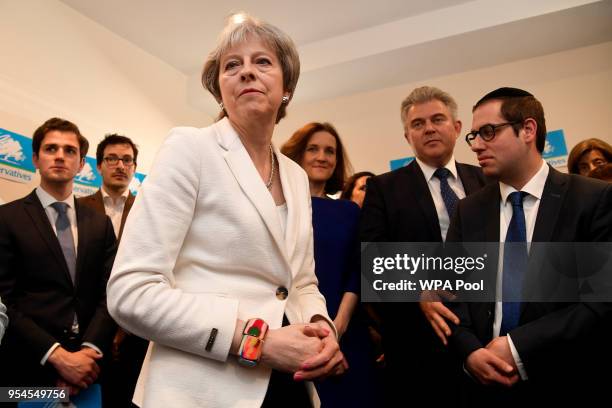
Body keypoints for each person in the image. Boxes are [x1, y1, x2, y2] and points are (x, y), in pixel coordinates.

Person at [106, 14, 344, 408]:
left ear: (287, 87)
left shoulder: (297, 176)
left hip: (288, 384)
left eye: (262, 62)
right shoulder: (189, 148)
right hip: (199, 389)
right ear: (220, 90)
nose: (246, 71)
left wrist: (321, 328)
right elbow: (131, 293)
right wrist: (259, 341)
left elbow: (301, 283)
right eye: (232, 65)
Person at [447, 87, 612, 406]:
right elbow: (453, 292)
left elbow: (599, 301)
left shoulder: (591, 200)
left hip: (569, 378)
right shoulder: (469, 210)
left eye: (488, 132)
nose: (477, 145)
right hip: (484, 384)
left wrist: (516, 346)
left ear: (528, 129)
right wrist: (470, 352)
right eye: (473, 136)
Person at [360, 86, 487, 406]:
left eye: (437, 119)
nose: (428, 128)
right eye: (418, 124)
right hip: (419, 340)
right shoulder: (384, 187)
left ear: (457, 128)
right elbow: (372, 256)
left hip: (488, 327)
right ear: (407, 136)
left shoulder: (486, 179)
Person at [0, 118, 116, 395]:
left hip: (90, 368)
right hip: (27, 363)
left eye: (70, 150)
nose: (60, 156)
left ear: (81, 163)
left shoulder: (100, 224)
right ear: (35, 159)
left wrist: (86, 354)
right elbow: (5, 299)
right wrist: (58, 357)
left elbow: (111, 292)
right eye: (51, 149)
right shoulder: (6, 218)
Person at [282, 122, 380, 407]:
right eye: (313, 149)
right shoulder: (277, 208)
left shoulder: (348, 211)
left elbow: (356, 271)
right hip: (293, 331)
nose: (322, 156)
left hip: (346, 329)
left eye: (330, 151)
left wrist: (339, 325)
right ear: (298, 155)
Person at [78, 134, 147, 407]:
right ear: (98, 165)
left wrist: (124, 328)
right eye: (112, 159)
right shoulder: (78, 208)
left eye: (127, 160)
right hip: (86, 325)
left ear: (134, 167)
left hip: (136, 328)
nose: (120, 165)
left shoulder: (149, 210)